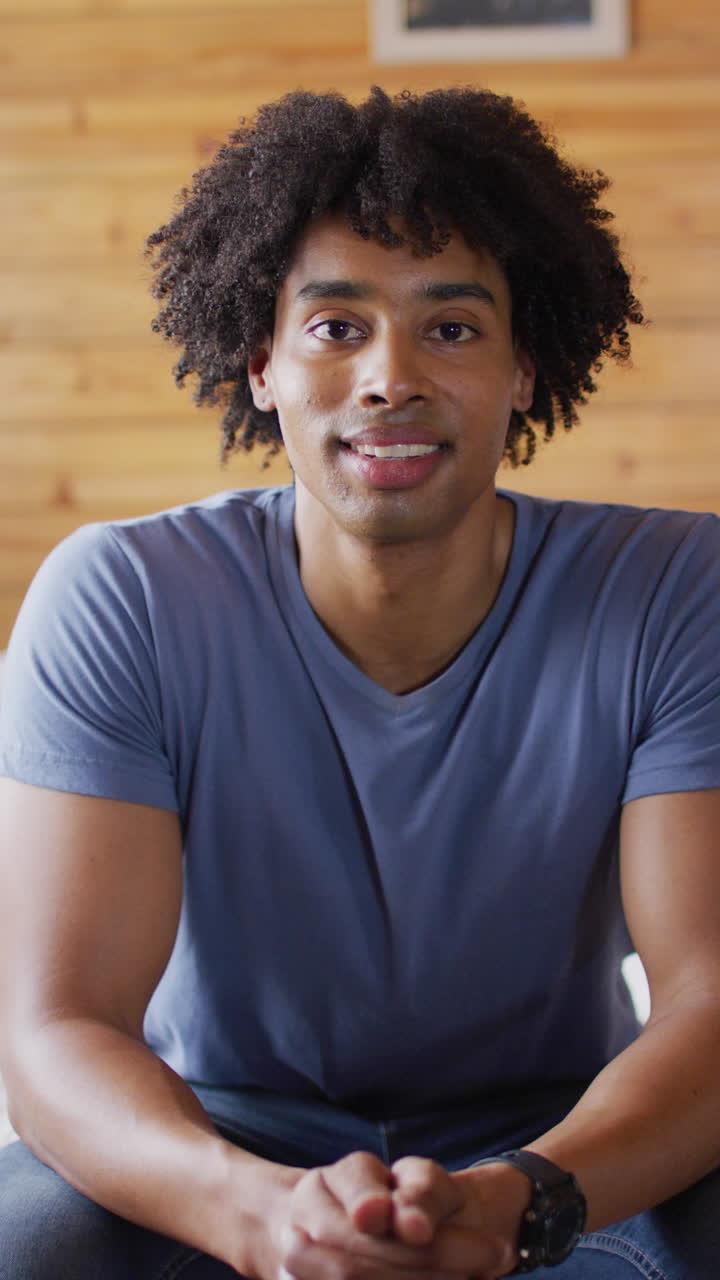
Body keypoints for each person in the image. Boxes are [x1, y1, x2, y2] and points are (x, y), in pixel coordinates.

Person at [0, 84, 719, 1280]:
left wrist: (522, 1198)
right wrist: (257, 1212)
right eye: (336, 326)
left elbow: (706, 996)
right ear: (263, 363)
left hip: (570, 1137)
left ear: (525, 367)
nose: (390, 377)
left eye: (451, 328)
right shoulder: (121, 593)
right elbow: (57, 1025)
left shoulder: (676, 589)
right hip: (215, 1137)